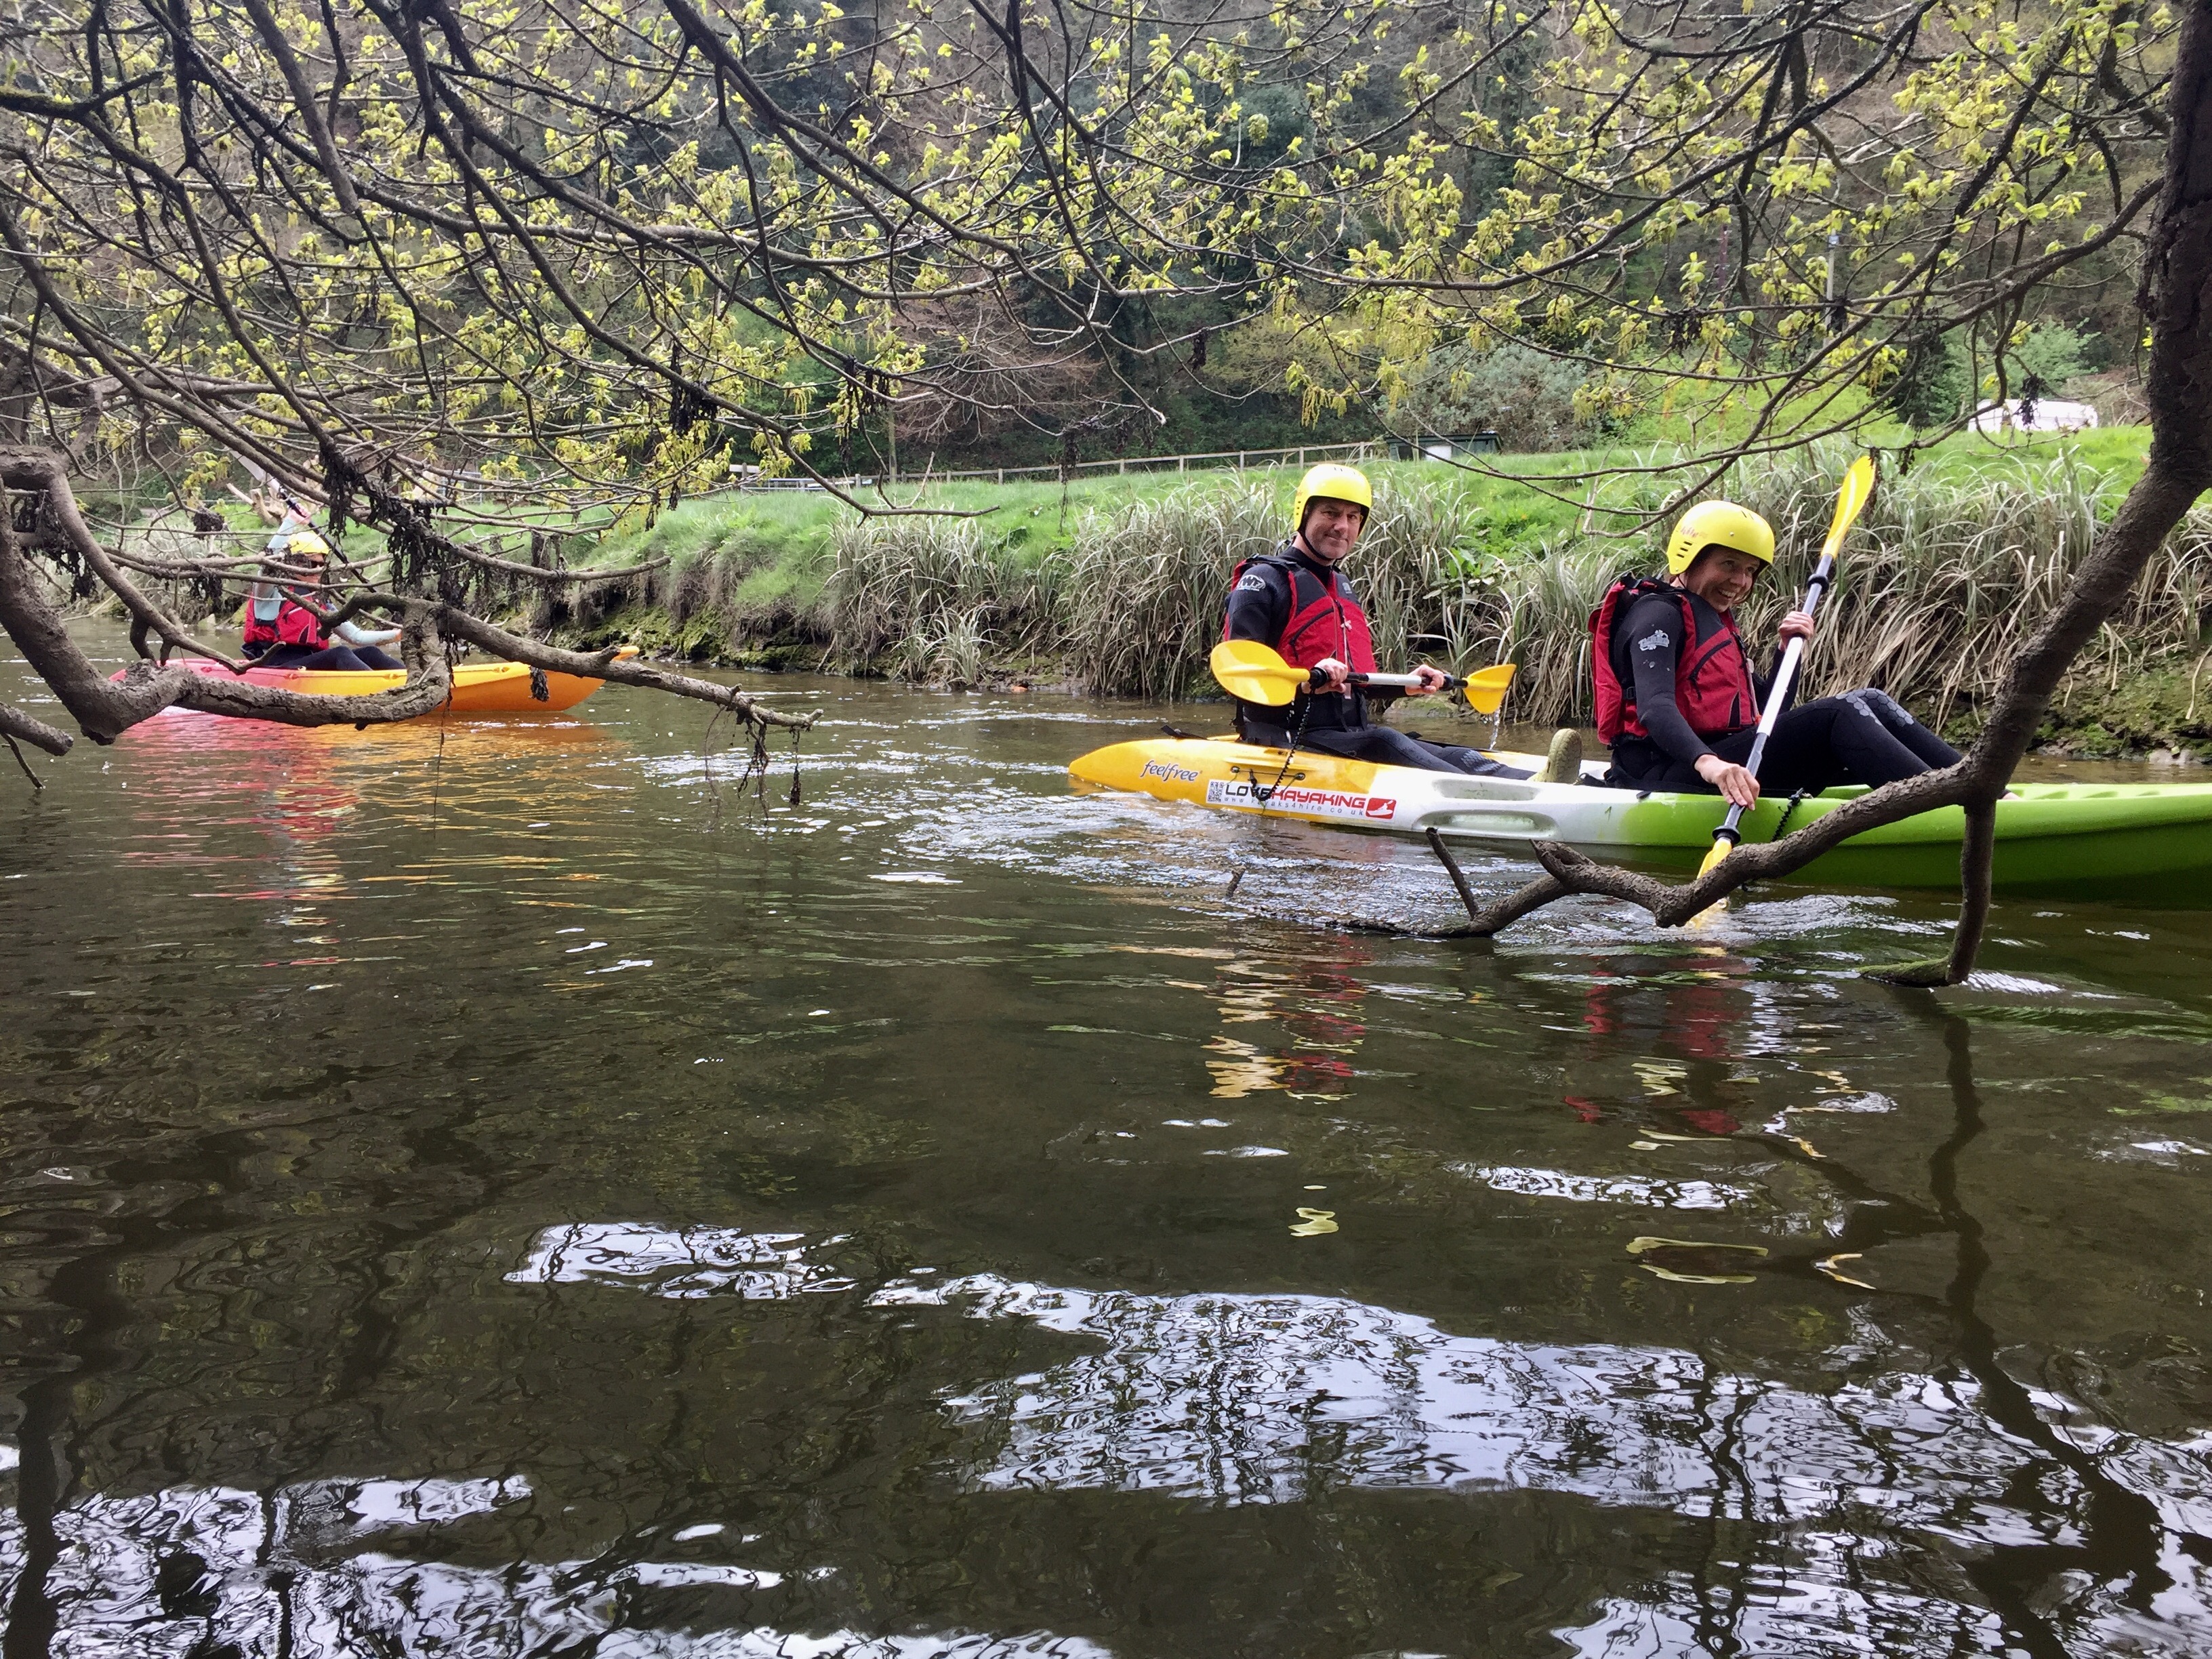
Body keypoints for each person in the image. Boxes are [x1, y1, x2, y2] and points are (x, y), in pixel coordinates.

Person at [1223, 463, 1580, 781]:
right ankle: (1519, 796)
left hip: (1349, 733)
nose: (1341, 526)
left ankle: (1560, 784)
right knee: (1386, 738)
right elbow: (1241, 675)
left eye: (1353, 517)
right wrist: (1305, 683)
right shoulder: (1263, 581)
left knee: (1456, 754)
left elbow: (1360, 682)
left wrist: (1408, 684)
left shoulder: (1341, 586)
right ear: (1304, 515)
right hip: (1286, 738)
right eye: (1330, 513)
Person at [1591, 499, 1959, 803]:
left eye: (1750, 570)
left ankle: (1983, 789)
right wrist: (1711, 764)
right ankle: (1950, 804)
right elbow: (1656, 708)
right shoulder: (1658, 613)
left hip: (1726, 759)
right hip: (1664, 771)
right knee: (1839, 713)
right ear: (1690, 557)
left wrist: (1788, 653)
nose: (1740, 581)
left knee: (1872, 700)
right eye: (1729, 564)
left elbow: (1769, 715)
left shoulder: (1715, 622)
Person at [243, 497, 405, 671]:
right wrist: (291, 521)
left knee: (371, 653)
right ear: (293, 562)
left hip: (308, 663)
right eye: (313, 564)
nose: (318, 569)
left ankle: (413, 685)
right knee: (341, 653)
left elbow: (357, 637)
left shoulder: (320, 601)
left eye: (322, 564)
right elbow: (267, 562)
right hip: (273, 664)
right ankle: (380, 690)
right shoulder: (270, 592)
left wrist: (400, 634)